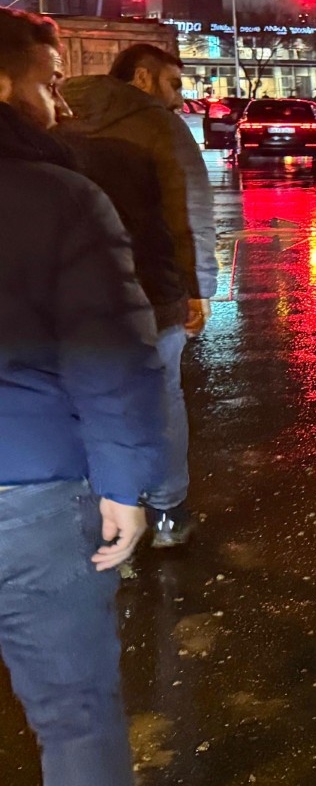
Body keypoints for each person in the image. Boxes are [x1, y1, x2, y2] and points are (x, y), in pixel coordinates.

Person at [0, 10, 167, 786]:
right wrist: (126, 485)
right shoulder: (60, 197)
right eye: (46, 79)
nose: (57, 98)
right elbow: (108, 351)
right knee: (72, 717)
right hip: (32, 489)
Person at [61, 45, 216, 547]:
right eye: (173, 83)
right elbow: (188, 210)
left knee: (86, 403)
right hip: (153, 290)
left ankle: (104, 518)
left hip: (73, 297)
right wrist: (199, 288)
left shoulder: (54, 119)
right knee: (161, 398)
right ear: (144, 78)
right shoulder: (159, 126)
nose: (178, 98)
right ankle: (167, 515)